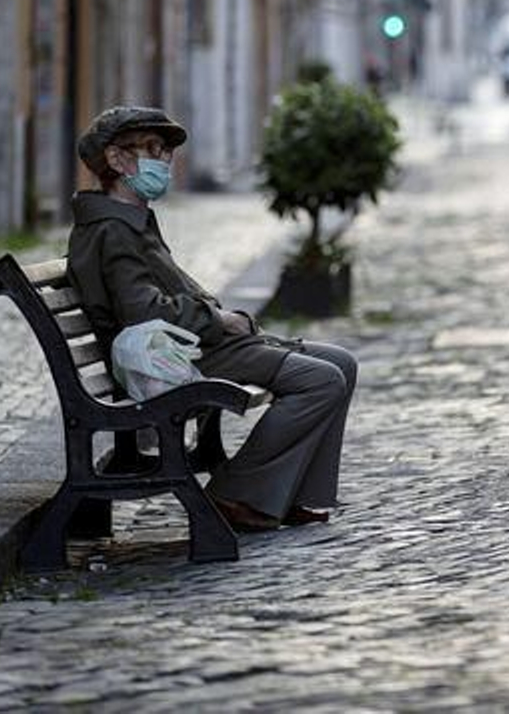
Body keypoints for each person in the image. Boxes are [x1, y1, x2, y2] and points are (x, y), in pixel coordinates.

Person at [66, 105, 358, 533]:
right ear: (116, 159)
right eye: (152, 148)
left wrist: (218, 318)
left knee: (342, 363)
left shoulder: (131, 221)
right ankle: (235, 493)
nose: (164, 160)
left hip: (200, 345)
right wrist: (217, 319)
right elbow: (144, 315)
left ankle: (296, 494)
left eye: (166, 151)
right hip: (181, 357)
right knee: (321, 381)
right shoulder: (112, 230)